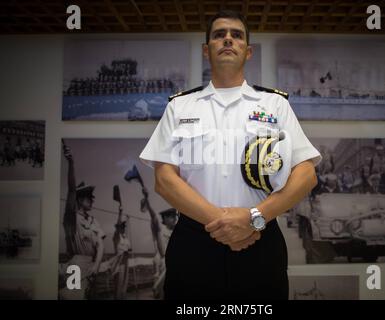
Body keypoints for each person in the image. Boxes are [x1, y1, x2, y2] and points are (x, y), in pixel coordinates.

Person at [139, 10, 321, 300]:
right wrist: (225, 224)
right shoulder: (180, 107)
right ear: (206, 49)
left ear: (248, 52)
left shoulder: (274, 105)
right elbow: (164, 179)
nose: (227, 39)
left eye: (236, 35)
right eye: (219, 34)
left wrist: (253, 219)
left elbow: (306, 173)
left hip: (261, 236)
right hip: (194, 242)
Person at [60, 144, 106, 300]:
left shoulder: (93, 220)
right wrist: (71, 164)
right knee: (73, 297)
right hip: (76, 265)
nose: (92, 200)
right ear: (79, 200)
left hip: (92, 266)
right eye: (88, 197)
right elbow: (71, 190)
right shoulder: (71, 218)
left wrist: (96, 265)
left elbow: (100, 244)